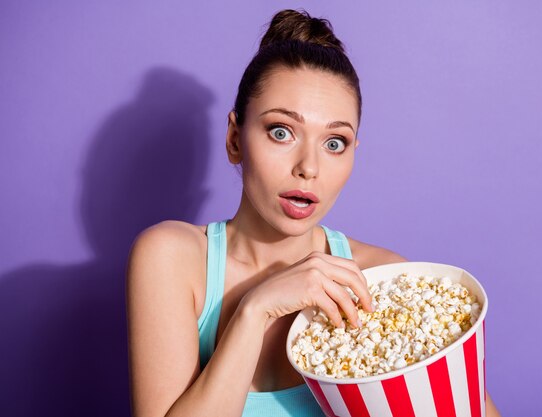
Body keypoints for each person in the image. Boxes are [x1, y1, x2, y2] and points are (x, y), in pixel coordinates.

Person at [126, 8, 501, 417]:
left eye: (335, 142)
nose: (309, 167)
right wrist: (255, 310)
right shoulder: (174, 258)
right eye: (281, 132)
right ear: (235, 138)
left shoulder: (382, 279)